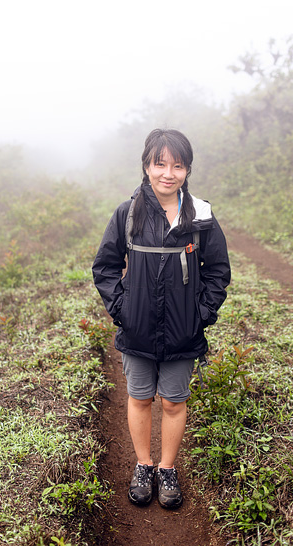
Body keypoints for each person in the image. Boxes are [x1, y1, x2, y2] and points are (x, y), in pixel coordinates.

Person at [92, 128, 230, 509]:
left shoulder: (200, 215)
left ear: (187, 170)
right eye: (160, 164)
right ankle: (143, 464)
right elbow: (104, 267)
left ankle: (167, 469)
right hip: (136, 328)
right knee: (138, 398)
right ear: (147, 166)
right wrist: (123, 309)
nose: (168, 173)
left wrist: (199, 316)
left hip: (183, 332)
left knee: (173, 402)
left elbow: (218, 271)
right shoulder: (128, 213)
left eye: (177, 165)